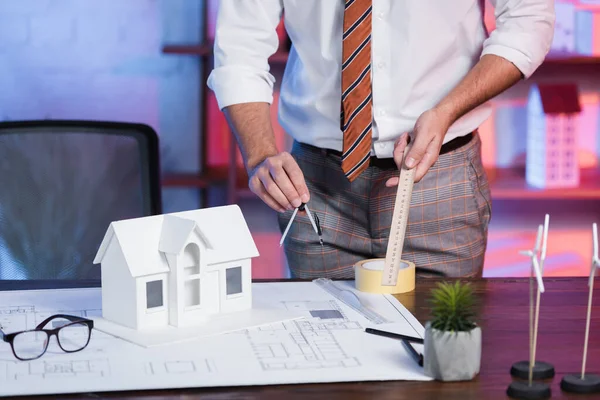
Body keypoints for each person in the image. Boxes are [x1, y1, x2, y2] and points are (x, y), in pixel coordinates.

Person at [207, 0, 555, 279]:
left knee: (440, 351)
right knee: (325, 354)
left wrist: (446, 110)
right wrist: (259, 153)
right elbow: (239, 47)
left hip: (439, 179)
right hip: (315, 189)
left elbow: (529, 20)